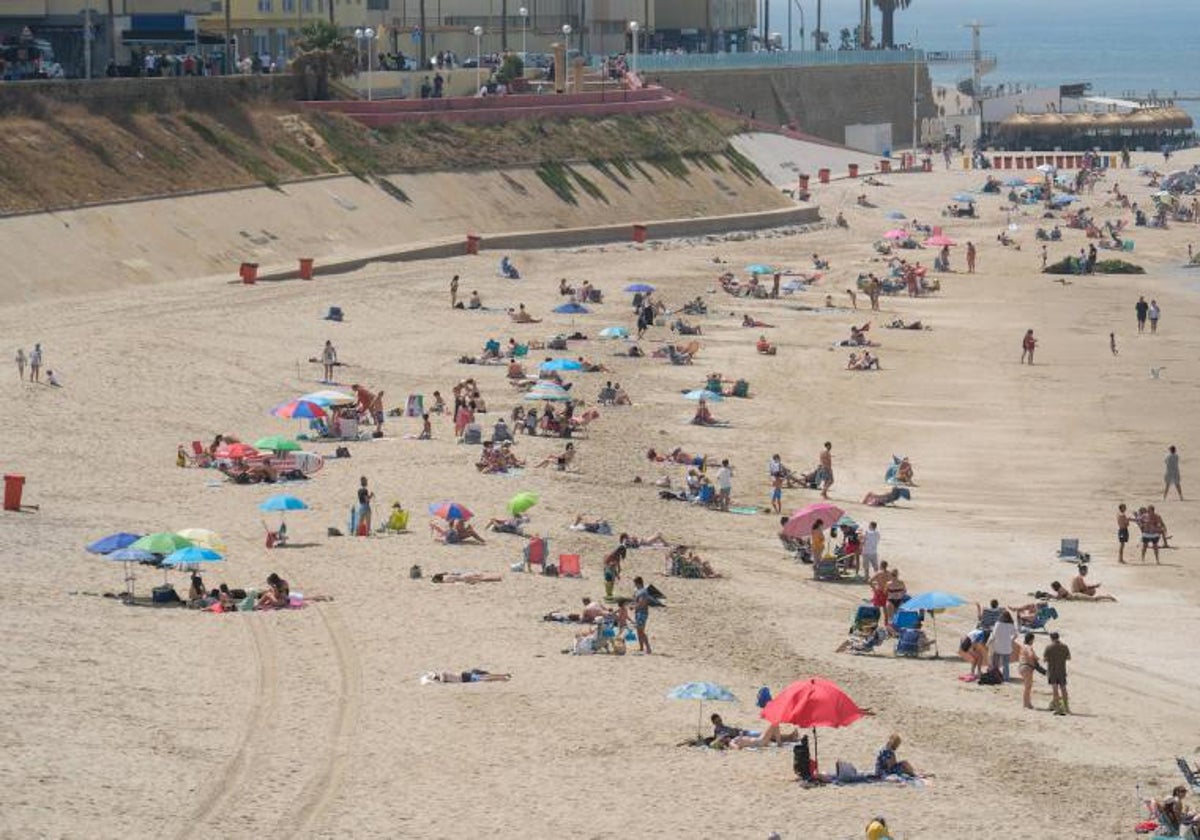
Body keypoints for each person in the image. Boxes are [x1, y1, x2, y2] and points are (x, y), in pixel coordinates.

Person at [1043, 631, 1071, 715]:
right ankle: (1066, 707)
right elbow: (1069, 657)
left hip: (1052, 671)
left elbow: (1045, 659)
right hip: (1062, 670)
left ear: (1051, 638)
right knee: (1063, 688)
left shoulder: (1049, 647)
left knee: (1055, 689)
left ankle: (1057, 708)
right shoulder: (1064, 646)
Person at [987, 610, 1017, 681]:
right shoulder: (1011, 624)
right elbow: (1015, 635)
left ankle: (995, 676)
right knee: (1005, 664)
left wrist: (989, 642)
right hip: (1007, 647)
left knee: (995, 663)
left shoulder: (998, 624)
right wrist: (1011, 640)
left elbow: (993, 635)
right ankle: (1006, 678)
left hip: (998, 646)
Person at [1017, 633, 1044, 710]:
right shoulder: (1028, 647)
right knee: (1028, 687)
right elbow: (1030, 654)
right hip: (1027, 667)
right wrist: (1036, 657)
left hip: (1022, 666)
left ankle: (1027, 703)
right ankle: (1026, 704)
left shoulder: (1023, 646)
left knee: (1027, 686)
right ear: (1031, 640)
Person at [632, 576, 652, 654]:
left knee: (641, 630)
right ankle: (641, 647)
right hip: (638, 612)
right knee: (638, 630)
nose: (634, 585)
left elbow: (642, 603)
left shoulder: (643, 592)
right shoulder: (638, 591)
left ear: (638, 583)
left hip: (642, 613)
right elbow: (636, 601)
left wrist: (633, 606)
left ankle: (648, 648)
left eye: (635, 583)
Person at [1049, 580, 1116, 602]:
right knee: (1094, 600)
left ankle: (1108, 596)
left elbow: (1058, 598)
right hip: (1076, 596)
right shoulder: (1060, 590)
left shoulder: (1060, 590)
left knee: (1094, 599)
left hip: (1077, 596)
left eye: (1052, 587)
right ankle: (1107, 597)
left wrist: (1050, 597)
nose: (1052, 589)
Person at [426, 669, 511, 683]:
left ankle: (502, 677)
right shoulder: (442, 675)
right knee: (485, 677)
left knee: (485, 678)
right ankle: (503, 676)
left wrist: (432, 680)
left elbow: (441, 680)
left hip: (464, 677)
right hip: (464, 677)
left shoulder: (442, 674)